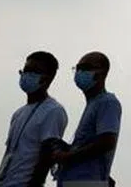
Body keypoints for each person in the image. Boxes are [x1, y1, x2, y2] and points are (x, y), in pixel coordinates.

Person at [0, 51, 68, 187]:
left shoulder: (53, 111)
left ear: (48, 78)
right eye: (25, 70)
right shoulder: (18, 113)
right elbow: (10, 153)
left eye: (34, 71)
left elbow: (46, 156)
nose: (27, 75)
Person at [52, 51, 122, 186]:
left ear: (102, 73)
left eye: (86, 68)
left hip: (86, 181)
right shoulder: (93, 104)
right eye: (78, 68)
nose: (80, 72)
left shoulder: (107, 102)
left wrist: (67, 156)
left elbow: (107, 142)